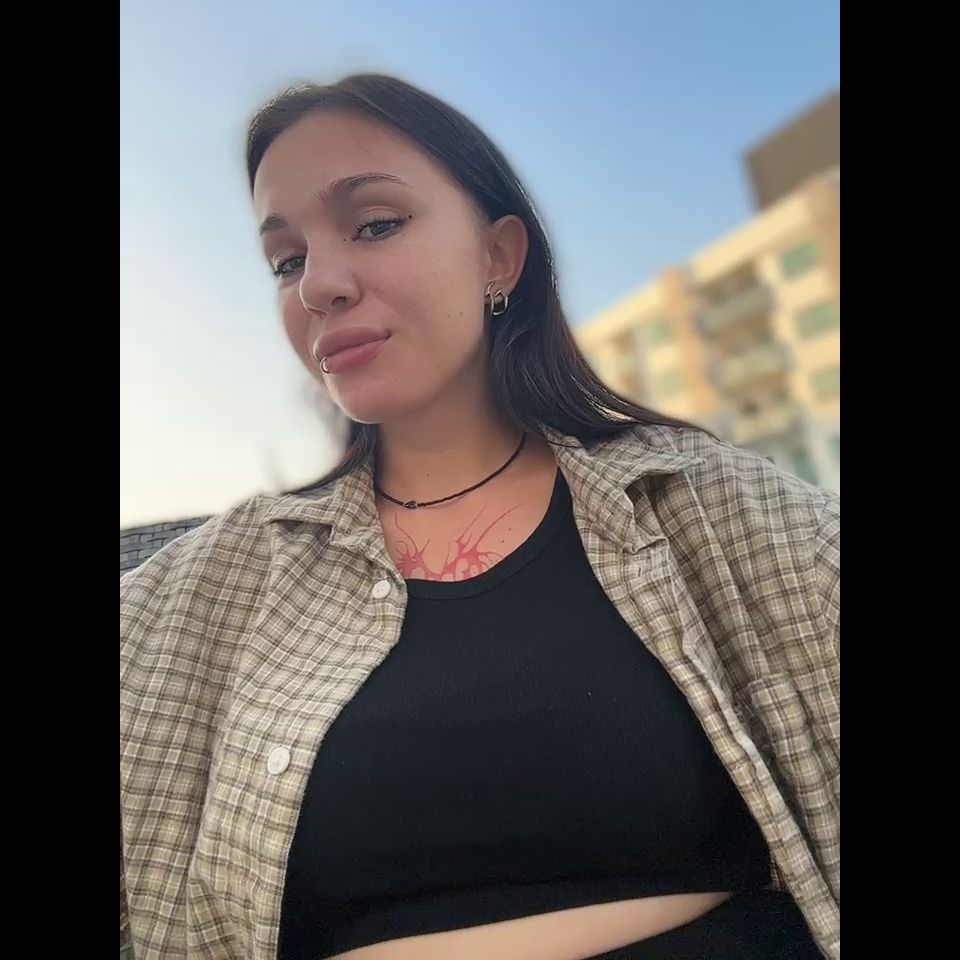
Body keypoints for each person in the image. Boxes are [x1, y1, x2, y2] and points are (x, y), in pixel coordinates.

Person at [120, 74, 838, 960]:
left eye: (375, 224)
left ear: (499, 257)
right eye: (286, 260)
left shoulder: (704, 500)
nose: (319, 286)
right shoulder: (218, 585)